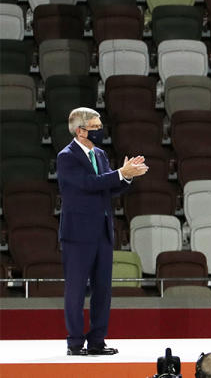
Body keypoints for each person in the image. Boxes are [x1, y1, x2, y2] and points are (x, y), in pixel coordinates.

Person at [57, 108, 149, 356]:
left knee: (103, 289)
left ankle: (97, 341)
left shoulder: (99, 154)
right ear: (80, 130)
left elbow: (107, 188)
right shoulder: (67, 157)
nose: (100, 131)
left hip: (102, 231)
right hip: (77, 234)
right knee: (76, 290)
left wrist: (127, 178)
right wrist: (120, 173)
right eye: (95, 127)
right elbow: (88, 184)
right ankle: (75, 343)